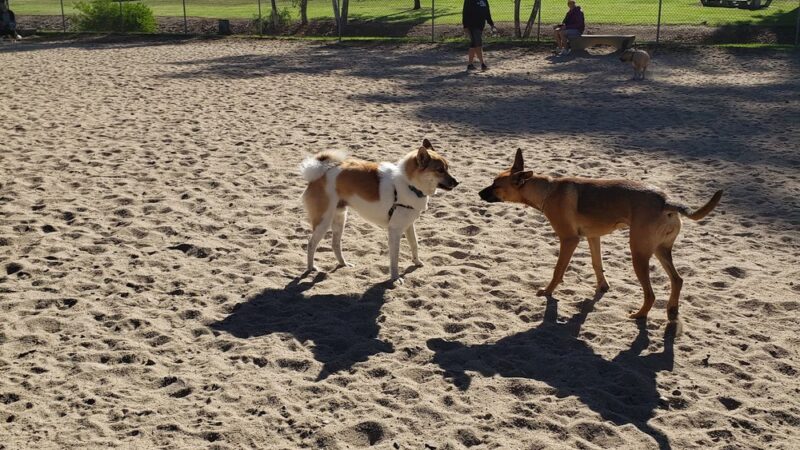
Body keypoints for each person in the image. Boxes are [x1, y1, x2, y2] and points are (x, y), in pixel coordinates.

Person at [462, 0, 496, 71]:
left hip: (480, 26)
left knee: (473, 44)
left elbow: (487, 13)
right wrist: (465, 26)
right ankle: (482, 64)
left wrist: (491, 24)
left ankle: (470, 65)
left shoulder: (484, 1)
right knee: (478, 44)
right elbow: (465, 12)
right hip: (472, 25)